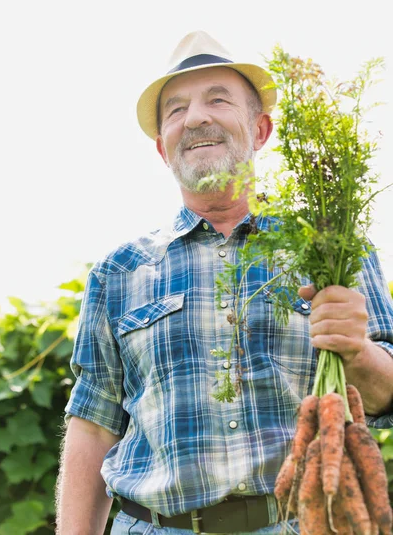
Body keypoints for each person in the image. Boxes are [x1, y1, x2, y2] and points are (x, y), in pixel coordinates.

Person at [56, 31, 393, 535]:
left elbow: (388, 398)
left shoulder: (334, 248)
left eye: (218, 99)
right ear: (161, 146)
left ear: (260, 129)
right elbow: (92, 425)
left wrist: (358, 351)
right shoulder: (118, 271)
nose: (195, 118)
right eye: (176, 110)